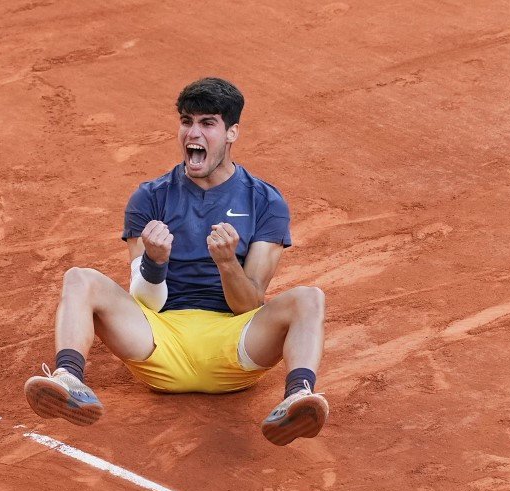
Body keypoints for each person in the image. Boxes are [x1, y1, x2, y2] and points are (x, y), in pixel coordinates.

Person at [24, 77, 327, 446]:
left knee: (309, 298)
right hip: (158, 343)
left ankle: (297, 397)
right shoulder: (149, 197)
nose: (192, 133)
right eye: (186, 121)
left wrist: (228, 262)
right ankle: (68, 379)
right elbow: (145, 301)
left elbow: (249, 305)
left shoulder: (265, 202)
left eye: (207, 123)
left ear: (231, 133)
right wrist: (154, 262)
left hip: (235, 349)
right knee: (79, 279)